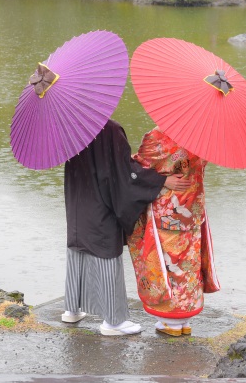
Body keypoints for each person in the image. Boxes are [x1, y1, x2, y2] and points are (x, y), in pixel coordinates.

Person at [62, 119, 190, 336]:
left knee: (78, 246)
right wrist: (160, 182)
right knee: (105, 249)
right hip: (101, 198)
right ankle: (114, 322)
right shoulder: (109, 128)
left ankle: (71, 310)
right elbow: (123, 173)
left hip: (77, 194)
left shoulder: (71, 125)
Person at [127, 127, 221, 337]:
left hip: (167, 210)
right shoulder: (206, 135)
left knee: (167, 265)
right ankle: (185, 322)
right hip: (193, 208)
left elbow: (138, 166)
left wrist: (160, 176)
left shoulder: (158, 136)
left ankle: (170, 321)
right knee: (188, 266)